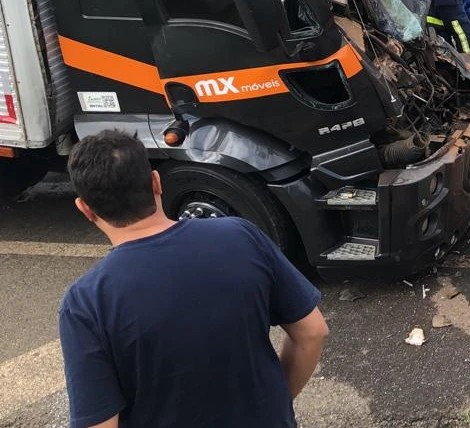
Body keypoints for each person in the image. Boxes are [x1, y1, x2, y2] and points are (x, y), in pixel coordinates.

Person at [58, 130, 328, 428]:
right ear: (156, 183)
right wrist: (276, 404)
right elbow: (312, 332)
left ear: (85, 209)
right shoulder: (241, 235)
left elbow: (98, 423)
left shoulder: (86, 302)